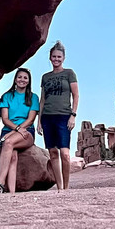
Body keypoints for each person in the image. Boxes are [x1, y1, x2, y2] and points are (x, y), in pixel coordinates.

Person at [37, 41, 78, 191]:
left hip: (64, 116)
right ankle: (59, 187)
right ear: (50, 58)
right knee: (53, 153)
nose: (56, 59)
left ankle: (66, 187)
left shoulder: (69, 73)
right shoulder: (45, 77)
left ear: (63, 58)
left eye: (59, 57)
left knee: (65, 154)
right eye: (54, 56)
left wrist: (73, 115)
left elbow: (76, 95)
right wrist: (39, 121)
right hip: (48, 117)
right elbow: (42, 100)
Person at [0, 68, 40, 194]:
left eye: (25, 78)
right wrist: (16, 129)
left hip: (27, 132)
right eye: (19, 77)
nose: (22, 80)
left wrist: (20, 130)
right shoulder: (7, 96)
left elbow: (31, 119)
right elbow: (5, 119)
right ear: (15, 79)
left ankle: (0, 183)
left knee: (8, 143)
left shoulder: (33, 97)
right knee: (13, 156)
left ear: (29, 81)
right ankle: (11, 192)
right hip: (9, 130)